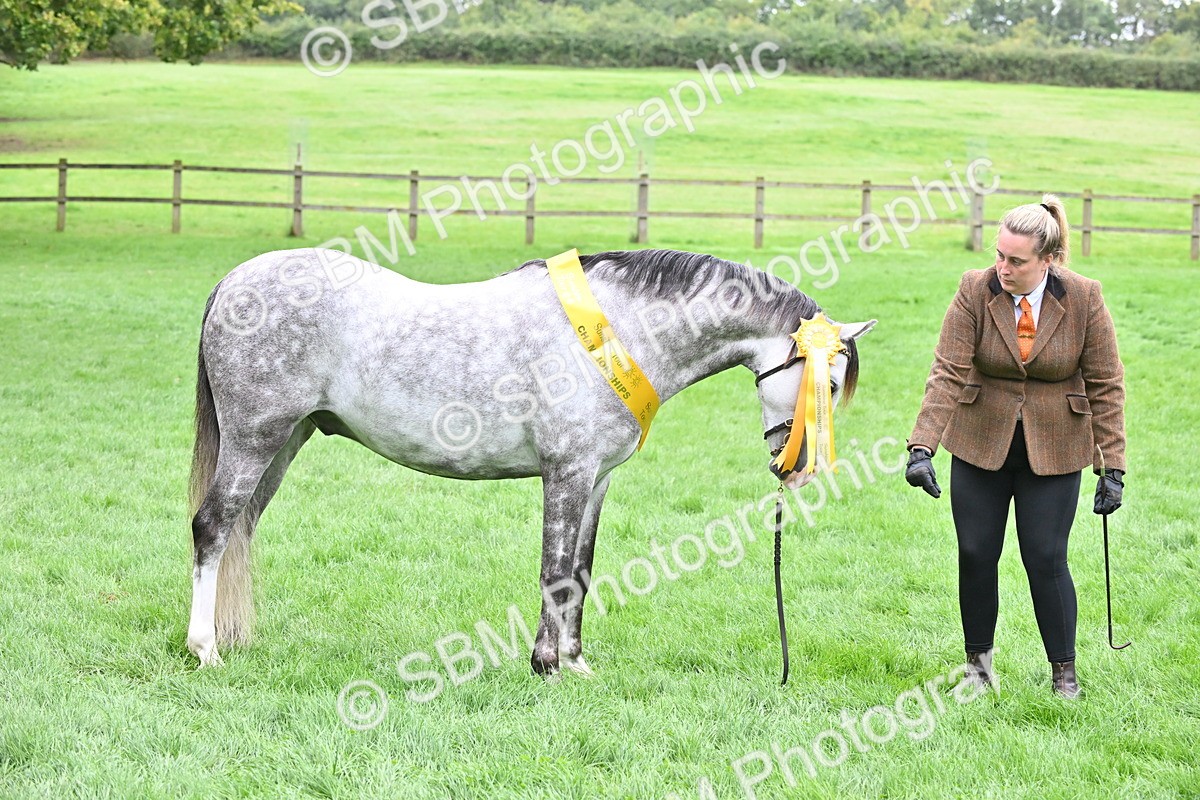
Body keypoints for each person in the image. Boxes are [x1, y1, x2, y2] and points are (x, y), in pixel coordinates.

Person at [904, 194, 1126, 699]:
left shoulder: (1084, 298)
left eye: (1016, 260)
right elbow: (948, 370)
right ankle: (978, 668)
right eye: (999, 255)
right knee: (976, 551)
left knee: (1045, 556)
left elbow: (1106, 384)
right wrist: (922, 447)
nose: (1002, 267)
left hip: (1056, 447)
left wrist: (1112, 466)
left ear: (1047, 260)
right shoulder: (974, 289)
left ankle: (1063, 672)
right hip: (981, 442)